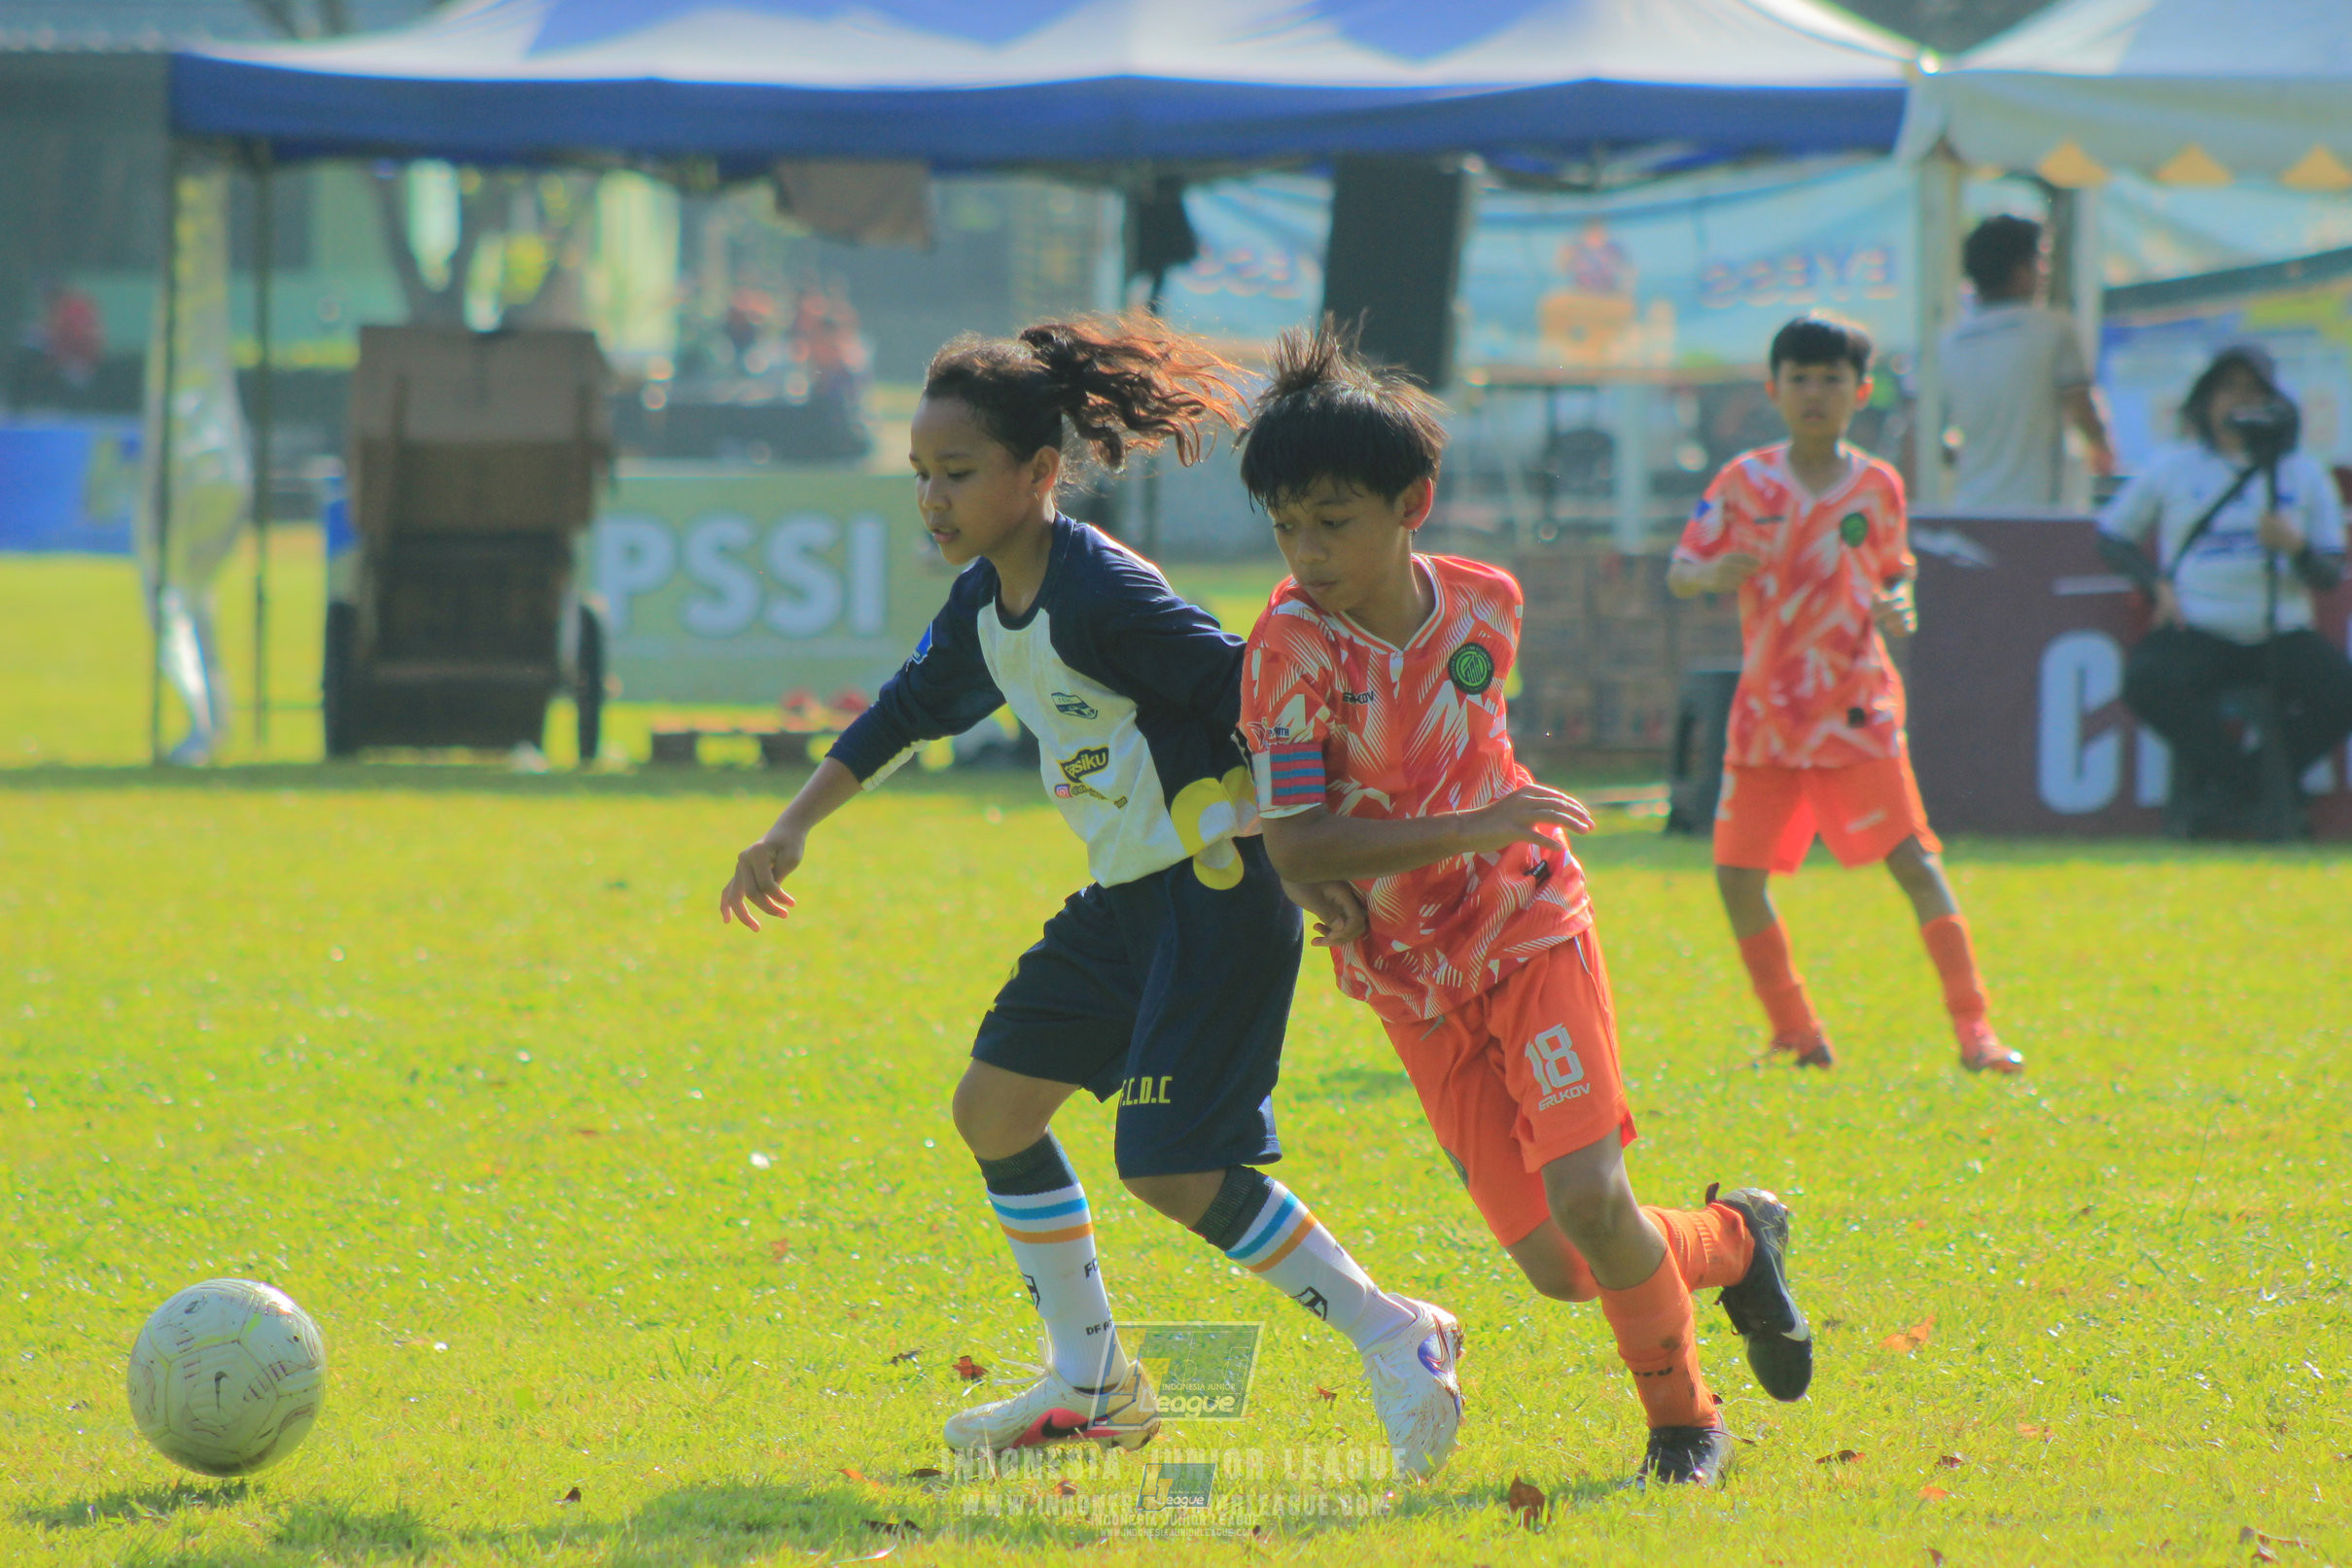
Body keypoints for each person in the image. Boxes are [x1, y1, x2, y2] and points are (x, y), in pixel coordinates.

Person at [716, 316, 1466, 1477]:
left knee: (1167, 1163)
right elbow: (906, 710)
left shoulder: (1099, 590)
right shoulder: (984, 602)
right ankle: (1093, 1380)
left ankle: (1395, 1331)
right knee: (994, 1109)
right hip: (1127, 899)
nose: (934, 498)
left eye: (957, 474)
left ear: (1037, 474)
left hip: (1216, 887)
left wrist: (1310, 855)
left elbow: (1250, 689)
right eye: (921, 475)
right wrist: (791, 825)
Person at [1236, 320, 1812, 1490]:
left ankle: (1683, 1423)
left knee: (1593, 1201)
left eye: (1332, 521)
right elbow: (1296, 831)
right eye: (1286, 525)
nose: (1307, 551)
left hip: (1527, 918)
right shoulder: (1284, 652)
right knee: (1562, 1262)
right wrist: (1337, 877)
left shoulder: (1487, 606)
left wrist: (1471, 841)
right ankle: (1740, 1238)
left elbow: (1460, 760)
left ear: (1414, 503)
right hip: (1407, 973)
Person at [1668, 314, 2020, 1076]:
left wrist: (1900, 603)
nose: (1814, 392)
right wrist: (1708, 573)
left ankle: (1976, 1031)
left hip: (1855, 710)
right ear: (1773, 388)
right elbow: (1680, 568)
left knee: (1916, 865)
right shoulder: (1742, 481)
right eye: (1799, 377)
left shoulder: (1877, 485)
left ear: (1859, 392)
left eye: (1831, 378)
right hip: (1765, 718)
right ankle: (1797, 1032)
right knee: (1735, 877)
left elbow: (1893, 573)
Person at [2097, 344, 2352, 836]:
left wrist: (2296, 548)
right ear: (2205, 400)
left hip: (2280, 630)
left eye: (2254, 392)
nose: (2240, 402)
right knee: (2147, 678)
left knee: (2342, 690)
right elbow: (2113, 536)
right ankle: (2253, 786)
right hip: (2201, 626)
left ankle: (2243, 788)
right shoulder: (2173, 466)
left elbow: (2328, 574)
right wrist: (2157, 586)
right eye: (2229, 389)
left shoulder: (2304, 472)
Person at [1942, 214, 2115, 513]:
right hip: (2041, 513)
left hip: (1970, 509)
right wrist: (2102, 451)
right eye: (2041, 261)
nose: (2044, 273)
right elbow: (2081, 407)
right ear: (2022, 270)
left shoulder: (1949, 341)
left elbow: (1921, 432)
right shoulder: (2054, 328)